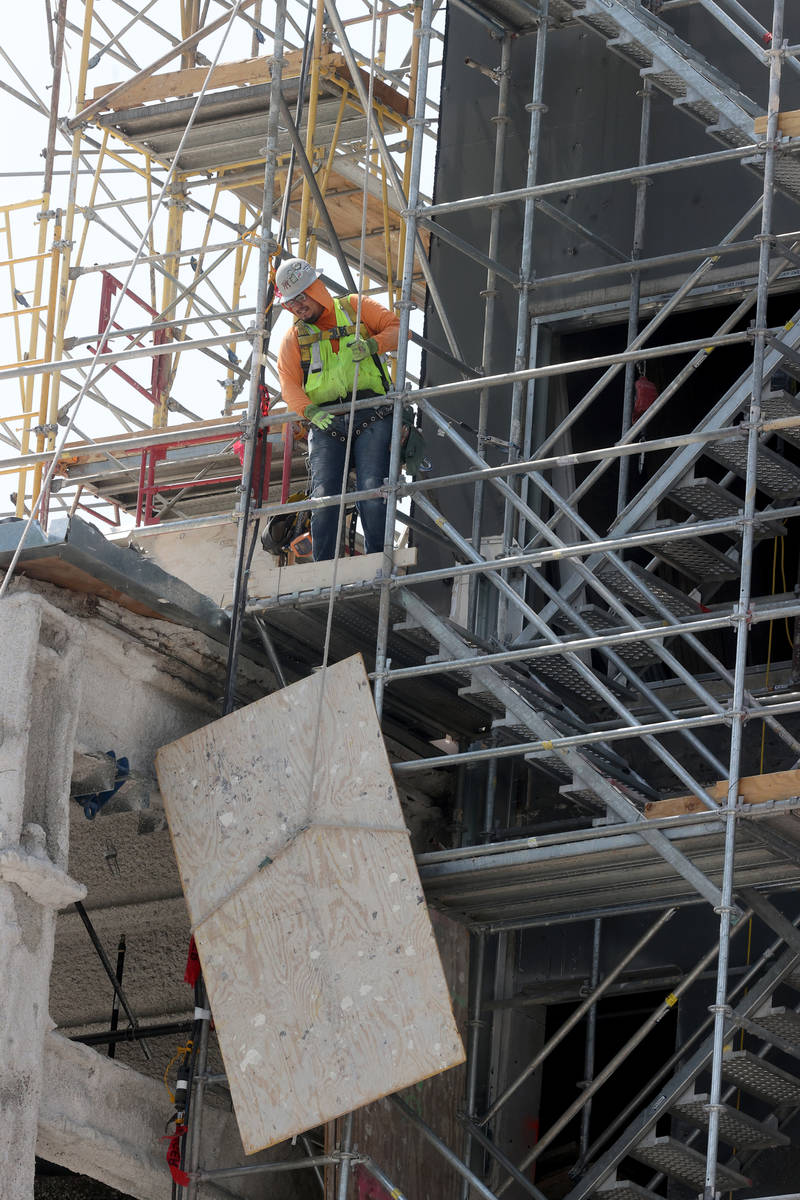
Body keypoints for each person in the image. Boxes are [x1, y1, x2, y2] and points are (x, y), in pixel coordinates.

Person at [275, 258, 400, 562]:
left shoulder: (356, 308)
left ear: (317, 289)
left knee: (372, 489)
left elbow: (399, 329)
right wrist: (310, 412)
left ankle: (376, 562)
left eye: (301, 298)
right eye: (291, 303)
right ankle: (324, 567)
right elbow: (289, 384)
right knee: (324, 498)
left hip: (372, 412)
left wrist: (375, 344)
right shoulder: (294, 339)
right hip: (327, 421)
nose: (298, 307)